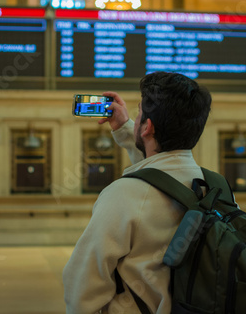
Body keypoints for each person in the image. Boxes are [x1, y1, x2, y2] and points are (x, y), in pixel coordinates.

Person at [63, 72, 213, 313]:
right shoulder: (216, 188)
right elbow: (161, 168)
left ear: (148, 126)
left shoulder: (123, 195)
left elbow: (82, 285)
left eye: (139, 113)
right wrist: (126, 128)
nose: (136, 117)